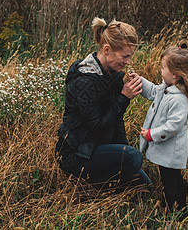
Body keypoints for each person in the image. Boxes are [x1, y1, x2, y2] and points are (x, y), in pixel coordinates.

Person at [55, 17, 152, 190]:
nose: (128, 62)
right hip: (78, 153)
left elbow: (116, 120)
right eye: (125, 56)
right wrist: (124, 97)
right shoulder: (84, 80)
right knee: (133, 158)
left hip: (99, 146)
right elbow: (97, 125)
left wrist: (124, 151)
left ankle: (117, 176)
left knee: (144, 183)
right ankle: (92, 190)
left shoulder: (112, 74)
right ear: (107, 50)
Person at [131, 42, 188, 213]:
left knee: (169, 179)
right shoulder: (167, 88)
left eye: (163, 68)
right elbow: (154, 92)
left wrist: (151, 134)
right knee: (172, 177)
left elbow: (173, 126)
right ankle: (180, 197)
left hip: (171, 151)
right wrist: (140, 81)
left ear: (175, 75)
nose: (160, 71)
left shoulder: (179, 99)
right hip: (166, 151)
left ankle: (173, 207)